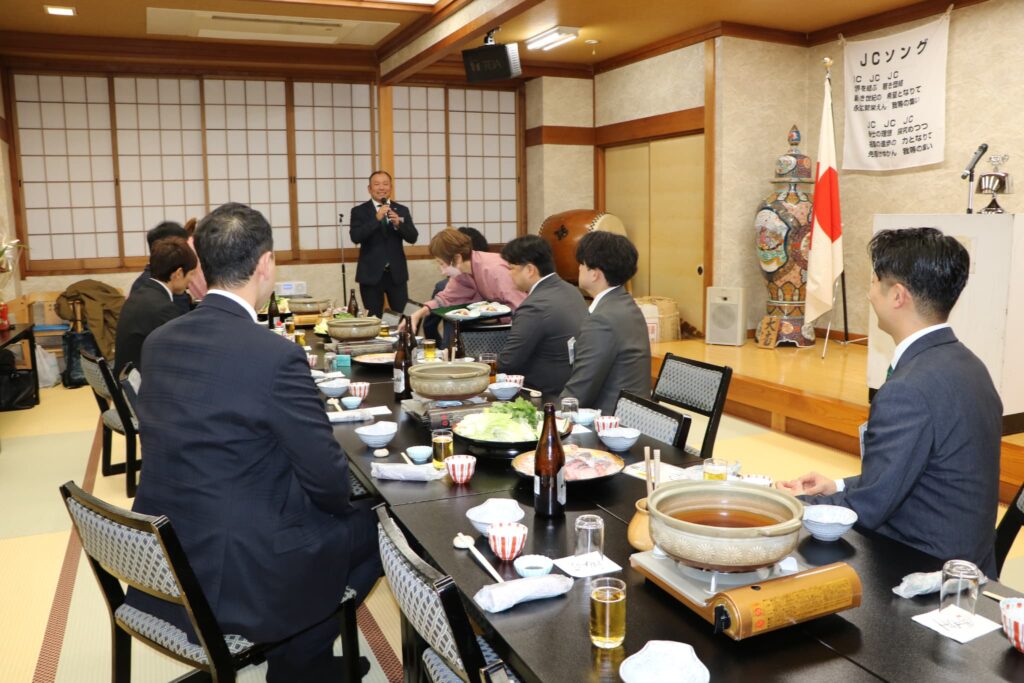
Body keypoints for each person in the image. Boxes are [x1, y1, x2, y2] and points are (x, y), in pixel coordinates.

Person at [128, 203, 380, 682]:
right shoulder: (275, 356)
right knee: (381, 524)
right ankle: (299, 663)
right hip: (243, 568)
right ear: (265, 264)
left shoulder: (159, 341)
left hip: (167, 551)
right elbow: (328, 483)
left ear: (201, 265)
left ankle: (299, 654)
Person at [777, 228, 1001, 576]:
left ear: (897, 295)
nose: (869, 294)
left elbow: (870, 508)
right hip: (968, 560)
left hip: (920, 568)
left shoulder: (908, 390)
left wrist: (791, 503)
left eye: (873, 282)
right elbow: (912, 474)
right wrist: (837, 486)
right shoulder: (971, 365)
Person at [559, 231, 651, 415]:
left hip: (609, 420)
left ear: (595, 274)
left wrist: (545, 416)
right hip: (634, 416)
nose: (579, 268)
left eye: (582, 264)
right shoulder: (625, 303)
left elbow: (581, 391)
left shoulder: (602, 321)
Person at [498, 235, 587, 395]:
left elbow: (508, 362)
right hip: (572, 383)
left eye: (511, 268)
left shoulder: (535, 307)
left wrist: (478, 364)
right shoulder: (570, 290)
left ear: (530, 270)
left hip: (541, 393)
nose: (509, 274)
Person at [408, 226, 527, 333]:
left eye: (442, 264)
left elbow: (521, 307)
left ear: (457, 258)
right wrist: (417, 314)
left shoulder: (495, 270)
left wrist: (494, 318)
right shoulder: (462, 272)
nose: (442, 271)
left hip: (519, 328)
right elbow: (446, 299)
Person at [113, 236, 196, 377]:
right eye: (191, 274)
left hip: (126, 378)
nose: (192, 280)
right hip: (142, 384)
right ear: (178, 273)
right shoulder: (163, 308)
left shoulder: (140, 294)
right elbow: (182, 355)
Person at [349, 170, 418, 317]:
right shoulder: (359, 211)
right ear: (369, 189)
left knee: (402, 317)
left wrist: (399, 223)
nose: (381, 187)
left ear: (390, 188)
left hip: (396, 274)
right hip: (370, 274)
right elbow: (355, 237)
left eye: (385, 184)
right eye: (377, 184)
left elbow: (413, 237)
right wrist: (376, 218)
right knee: (373, 319)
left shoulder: (402, 210)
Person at [424, 226, 490, 344]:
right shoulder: (488, 277)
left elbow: (429, 325)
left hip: (453, 346)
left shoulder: (442, 286)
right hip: (491, 342)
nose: (443, 271)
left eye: (442, 263)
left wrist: (440, 348)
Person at [130, 221, 192, 314]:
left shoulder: (146, 279)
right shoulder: (165, 282)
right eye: (183, 247)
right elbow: (181, 317)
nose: (188, 252)